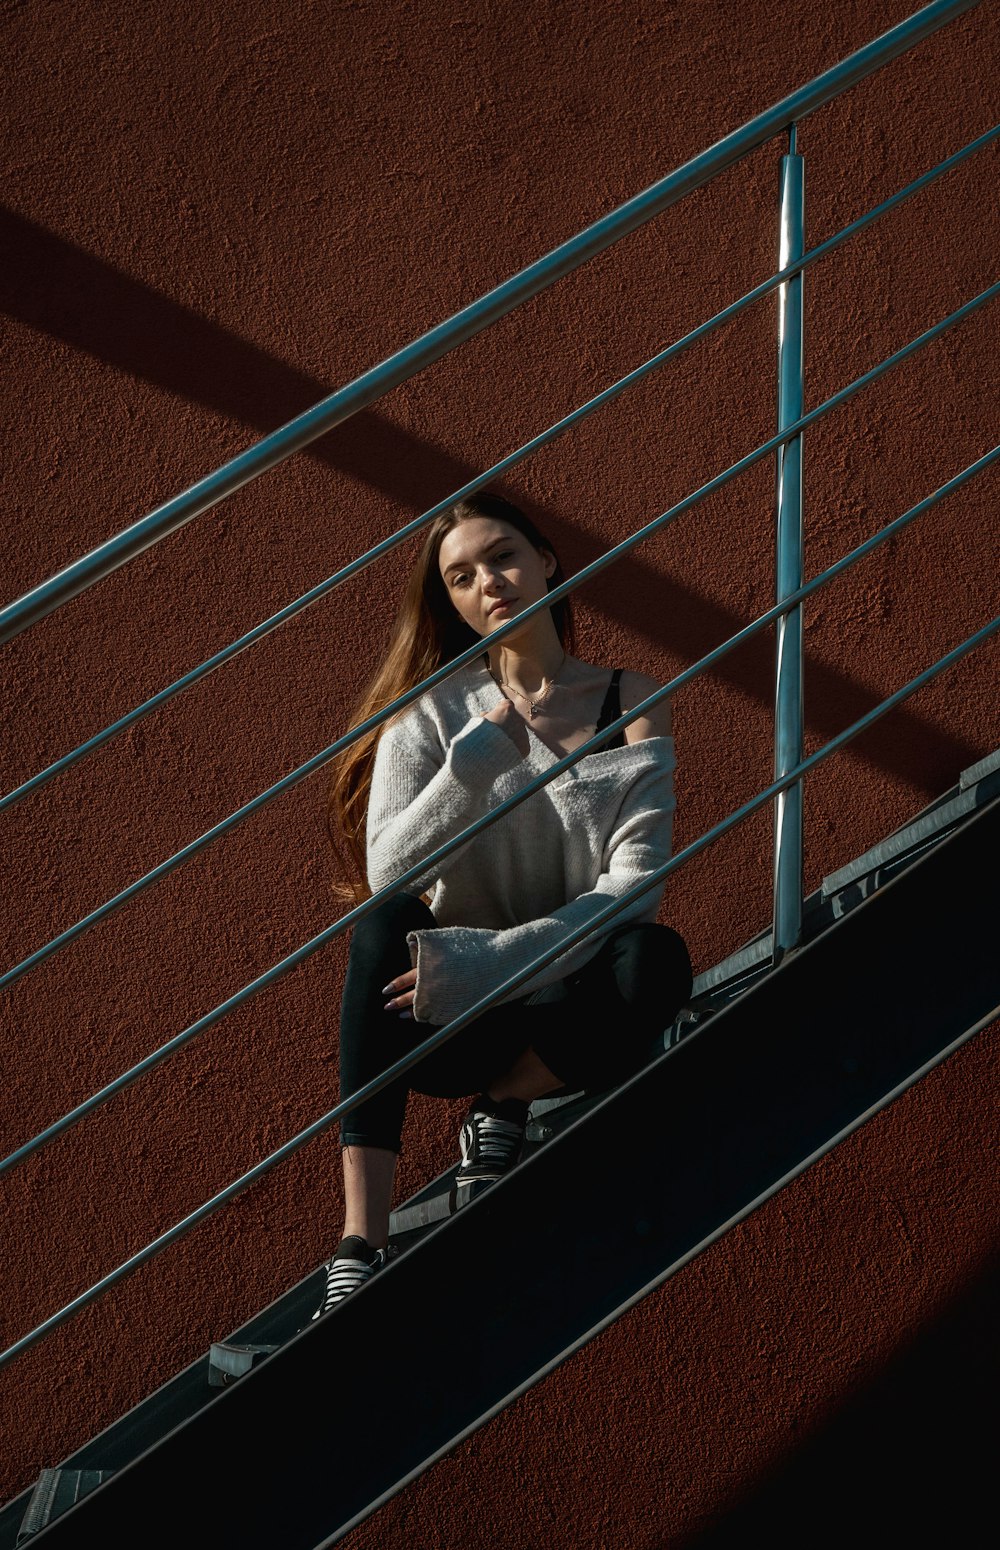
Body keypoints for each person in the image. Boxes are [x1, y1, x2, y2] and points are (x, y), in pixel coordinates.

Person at [314, 491, 692, 1317]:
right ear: (448, 601)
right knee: (382, 928)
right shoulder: (429, 713)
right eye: (461, 576)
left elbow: (634, 886)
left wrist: (489, 960)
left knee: (655, 958)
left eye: (503, 557)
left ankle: (510, 1098)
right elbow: (391, 873)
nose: (489, 581)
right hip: (452, 1015)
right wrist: (472, 762)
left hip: (566, 1004)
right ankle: (359, 1240)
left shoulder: (631, 701)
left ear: (547, 560)